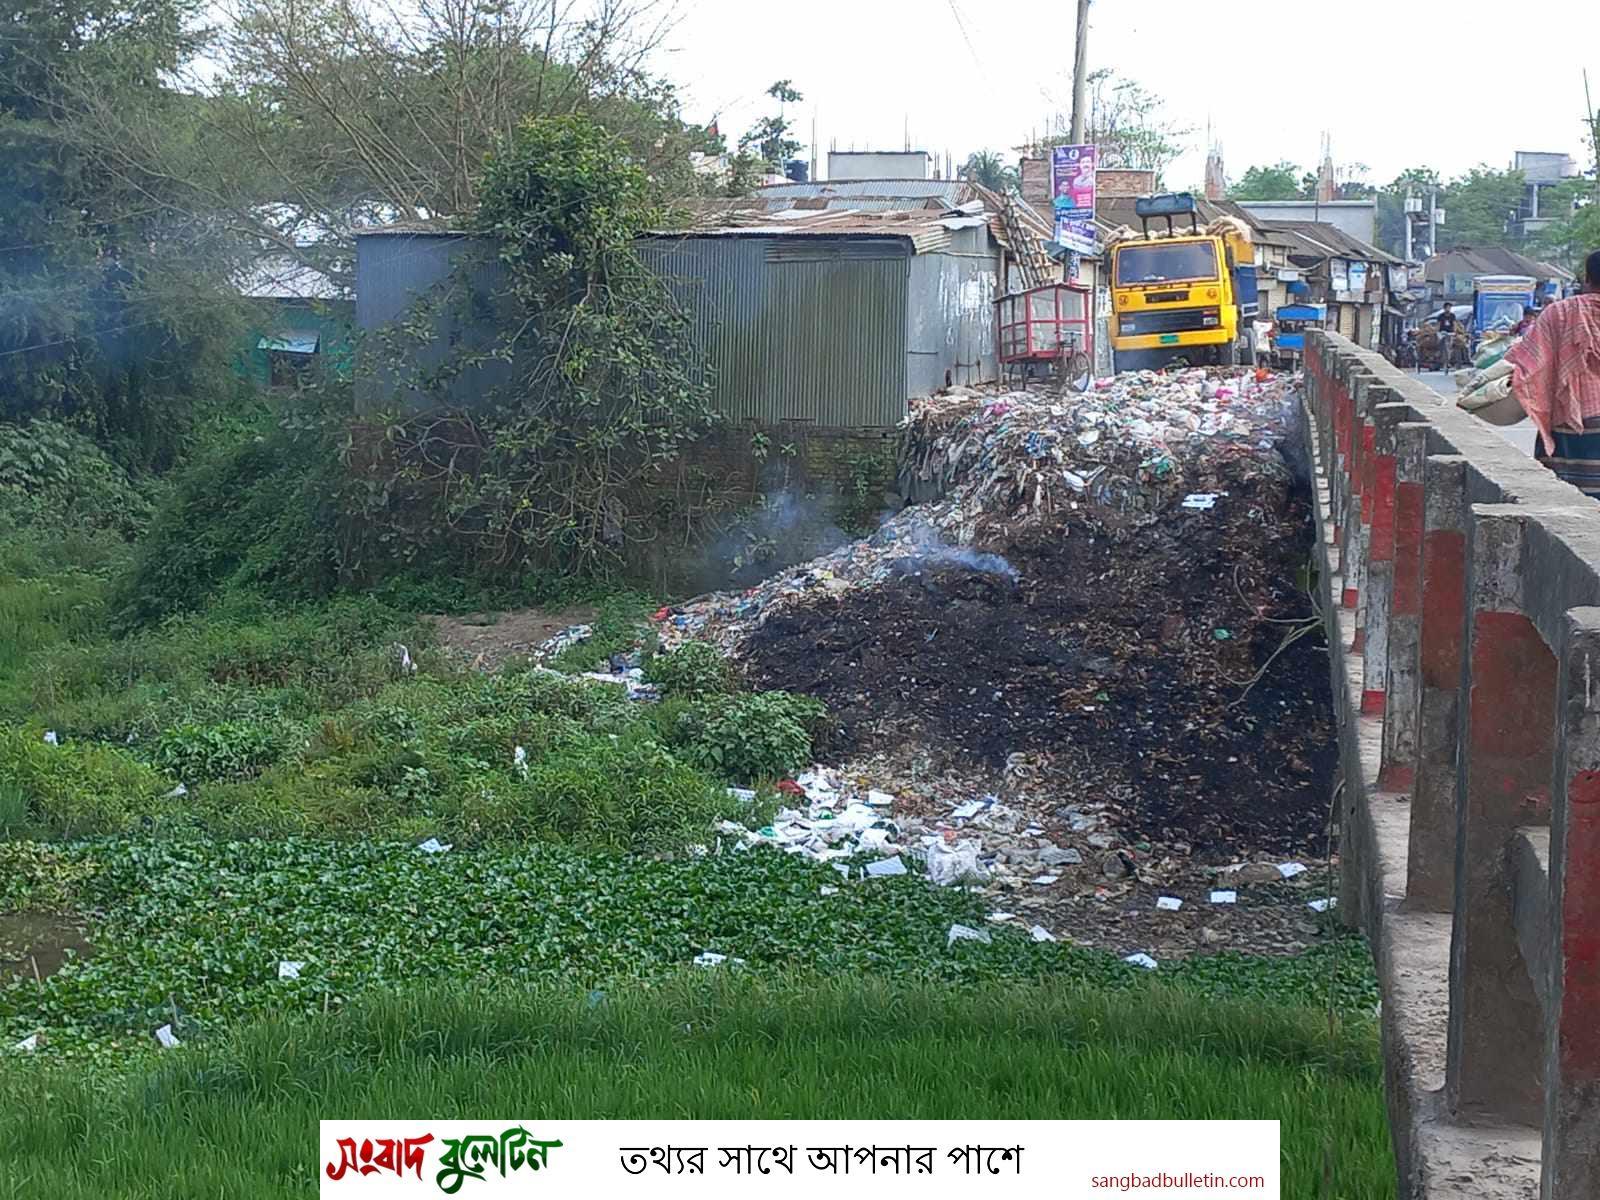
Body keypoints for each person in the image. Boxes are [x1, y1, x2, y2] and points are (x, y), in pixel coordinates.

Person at [1504, 250, 1600, 498]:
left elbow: (1526, 359)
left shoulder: (1560, 312)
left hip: (1572, 420)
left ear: (1587, 278)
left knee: (1567, 498)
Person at [1436, 303, 1458, 369]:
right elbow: (1438, 325)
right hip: (1442, 333)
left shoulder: (1452, 316)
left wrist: (1455, 332)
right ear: (1444, 308)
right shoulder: (1440, 316)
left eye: (1449, 308)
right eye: (1447, 307)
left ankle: (1449, 361)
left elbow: (1454, 324)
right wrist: (1437, 332)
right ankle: (1441, 359)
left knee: (1449, 346)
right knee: (1441, 345)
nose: (1448, 309)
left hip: (1450, 333)